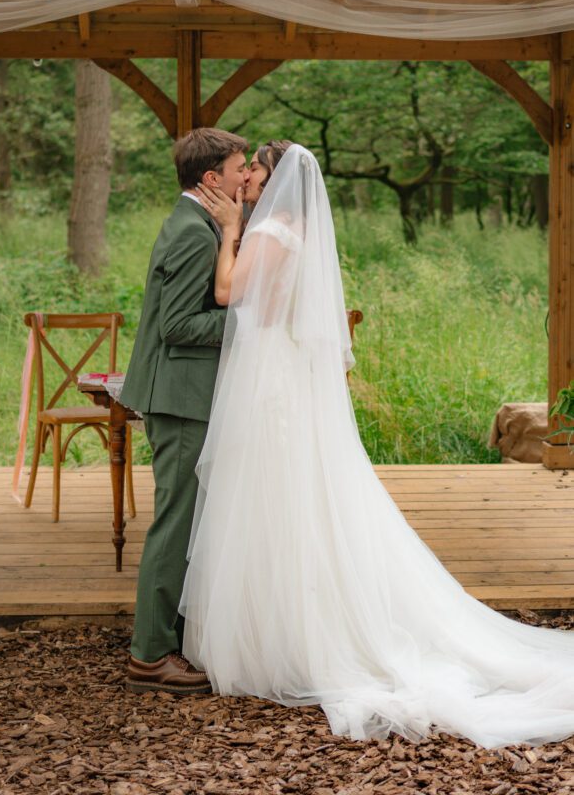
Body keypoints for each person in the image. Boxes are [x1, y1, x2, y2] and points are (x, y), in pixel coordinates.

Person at [180, 141, 574, 749]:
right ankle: (282, 625)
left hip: (270, 382)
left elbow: (230, 294)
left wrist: (230, 230)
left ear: (275, 176)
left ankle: (290, 636)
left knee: (276, 498)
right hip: (278, 373)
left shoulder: (273, 230)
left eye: (254, 168)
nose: (247, 178)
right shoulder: (295, 230)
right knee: (289, 499)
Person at [121, 127, 249, 695]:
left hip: (184, 393)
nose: (245, 176)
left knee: (188, 516)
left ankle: (168, 635)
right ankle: (149, 655)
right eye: (238, 168)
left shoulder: (197, 225)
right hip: (178, 397)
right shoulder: (195, 235)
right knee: (174, 522)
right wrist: (252, 320)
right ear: (210, 179)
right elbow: (177, 326)